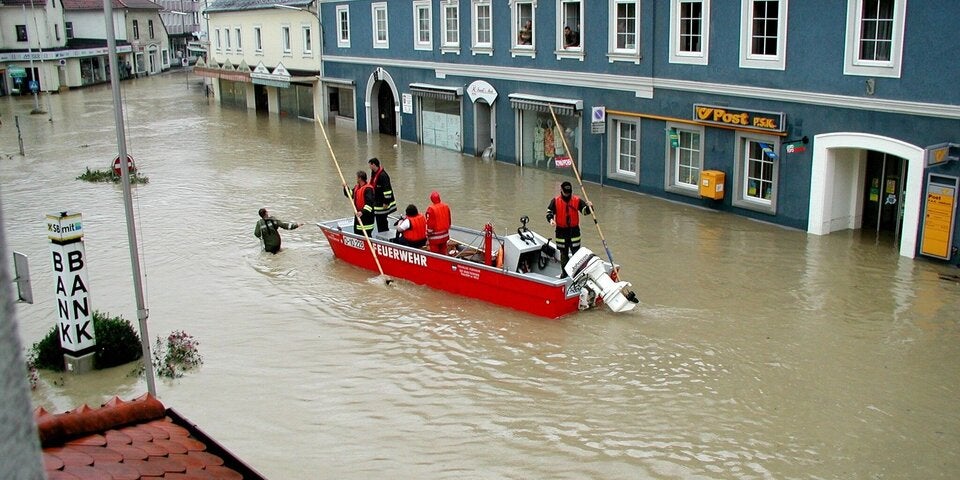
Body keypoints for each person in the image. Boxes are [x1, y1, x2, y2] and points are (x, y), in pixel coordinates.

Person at [546, 181, 592, 277]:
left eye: (569, 192)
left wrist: (589, 207)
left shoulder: (577, 200)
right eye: (565, 192)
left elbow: (585, 212)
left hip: (574, 232)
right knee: (563, 254)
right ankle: (565, 273)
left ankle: (577, 274)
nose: (567, 194)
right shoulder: (555, 201)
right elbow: (549, 212)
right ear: (561, 190)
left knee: (576, 254)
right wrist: (551, 220)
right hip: (561, 232)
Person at [368, 157, 396, 233]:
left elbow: (387, 190)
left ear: (373, 164)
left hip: (383, 203)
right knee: (379, 220)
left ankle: (384, 234)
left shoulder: (383, 176)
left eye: (370, 165)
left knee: (382, 220)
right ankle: (382, 233)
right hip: (377, 202)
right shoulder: (374, 173)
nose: (369, 167)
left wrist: (386, 202)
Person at [344, 170, 375, 236]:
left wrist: (362, 212)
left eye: (357, 177)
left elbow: (369, 205)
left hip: (366, 219)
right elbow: (350, 194)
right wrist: (345, 187)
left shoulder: (368, 189)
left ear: (360, 178)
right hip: (358, 217)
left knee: (366, 236)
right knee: (358, 234)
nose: (356, 179)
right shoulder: (357, 187)